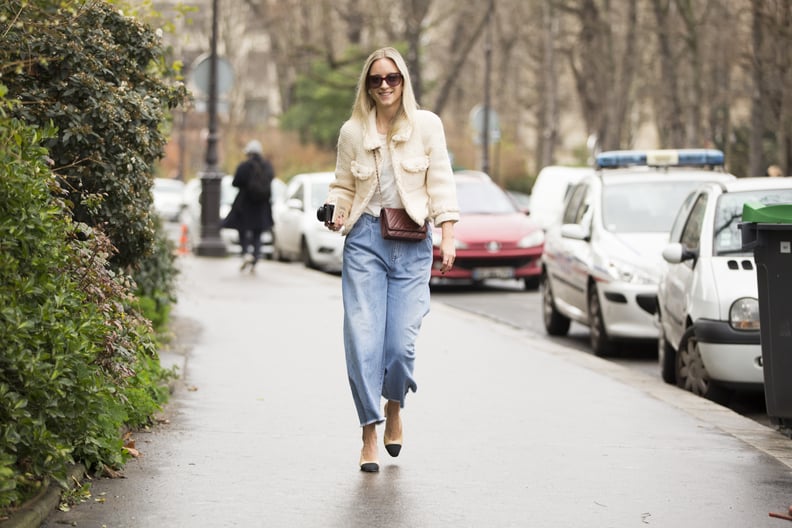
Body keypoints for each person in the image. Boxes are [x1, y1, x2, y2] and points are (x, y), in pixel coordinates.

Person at [323, 47, 460, 472]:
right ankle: (369, 429)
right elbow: (343, 185)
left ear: (404, 81)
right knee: (362, 338)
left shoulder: (426, 126)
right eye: (376, 79)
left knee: (399, 345)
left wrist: (449, 234)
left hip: (413, 241)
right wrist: (335, 209)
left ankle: (395, 404)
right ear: (367, 85)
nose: (384, 86)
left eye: (392, 78)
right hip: (365, 238)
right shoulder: (352, 132)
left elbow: (440, 182)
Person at [222, 139, 275, 272]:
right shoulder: (267, 166)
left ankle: (246, 253)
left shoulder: (244, 166)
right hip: (262, 207)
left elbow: (235, 182)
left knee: (242, 230)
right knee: (257, 234)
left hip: (245, 205)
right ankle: (255, 258)